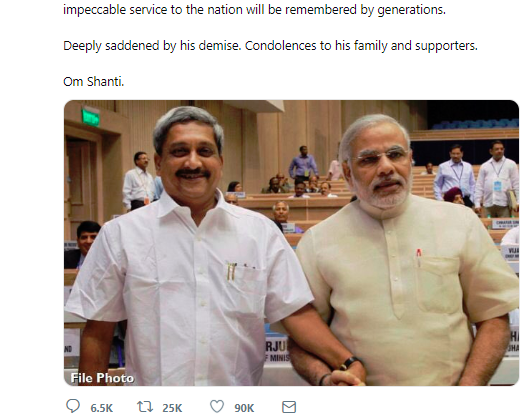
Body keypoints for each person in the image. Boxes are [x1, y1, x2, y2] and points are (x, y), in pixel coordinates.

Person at [66, 106, 361, 386]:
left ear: (220, 161)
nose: (193, 163)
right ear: (158, 162)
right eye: (179, 151)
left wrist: (347, 361)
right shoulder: (121, 234)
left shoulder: (260, 233)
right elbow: (98, 334)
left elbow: (294, 313)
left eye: (204, 151)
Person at [289, 114, 518, 386]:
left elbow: (493, 316)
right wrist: (325, 379)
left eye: (395, 155)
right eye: (369, 159)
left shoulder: (461, 222)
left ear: (410, 160)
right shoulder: (318, 241)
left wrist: (467, 391)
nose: (386, 167)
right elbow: (302, 337)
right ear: (348, 172)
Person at [474, 141, 519, 218]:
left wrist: (518, 201)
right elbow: (479, 186)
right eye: (497, 149)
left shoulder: (511, 164)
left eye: (501, 149)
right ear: (491, 151)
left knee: (505, 226)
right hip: (488, 204)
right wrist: (477, 203)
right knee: (488, 225)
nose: (499, 151)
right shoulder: (485, 166)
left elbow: (517, 184)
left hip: (505, 204)